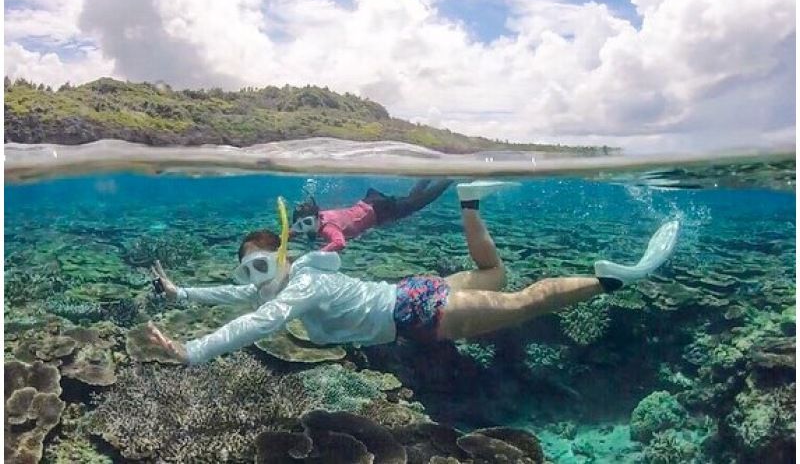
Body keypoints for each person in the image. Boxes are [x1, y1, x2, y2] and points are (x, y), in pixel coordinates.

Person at [145, 181, 681, 365]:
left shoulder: (299, 284)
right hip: (413, 290)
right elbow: (239, 298)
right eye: (247, 273)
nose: (255, 279)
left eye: (261, 266)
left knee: (523, 303)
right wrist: (180, 292)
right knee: (494, 272)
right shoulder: (294, 273)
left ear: (281, 256)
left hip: (415, 311)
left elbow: (260, 323)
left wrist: (195, 351)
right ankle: (469, 203)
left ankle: (616, 279)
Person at [290, 179, 453, 252]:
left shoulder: (328, 228)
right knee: (411, 200)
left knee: (418, 203)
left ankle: (448, 178)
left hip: (380, 211)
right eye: (300, 225)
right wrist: (287, 235)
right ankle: (428, 175)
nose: (305, 228)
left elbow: (339, 243)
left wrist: (319, 254)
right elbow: (300, 225)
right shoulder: (319, 217)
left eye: (307, 222)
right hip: (369, 203)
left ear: (317, 217)